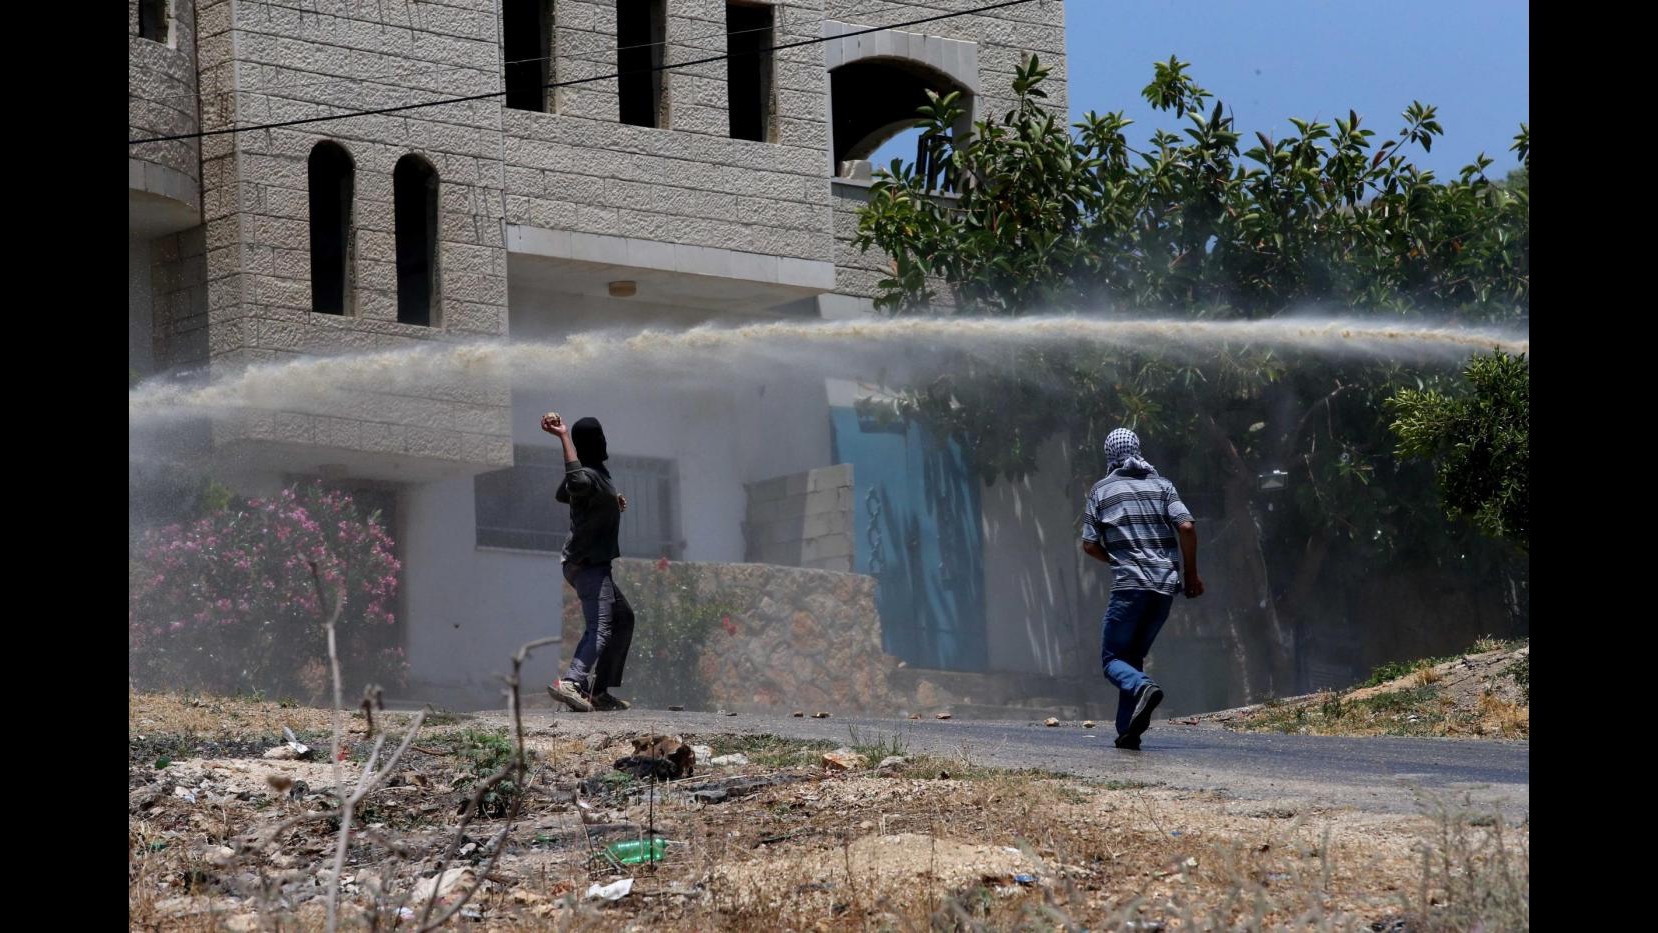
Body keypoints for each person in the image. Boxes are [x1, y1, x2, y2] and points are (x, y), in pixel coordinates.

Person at [1080, 427, 1204, 750]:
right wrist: (1191, 575)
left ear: (1109, 455)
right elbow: (1187, 527)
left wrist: (1118, 560)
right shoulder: (1163, 486)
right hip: (1163, 590)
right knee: (1132, 656)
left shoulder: (1101, 491)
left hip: (1129, 587)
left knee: (1112, 660)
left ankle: (1143, 686)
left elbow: (1089, 545)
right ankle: (1128, 731)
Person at [542, 412, 636, 713]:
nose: (603, 440)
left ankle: (598, 691)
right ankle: (572, 682)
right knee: (601, 626)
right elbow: (573, 484)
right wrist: (564, 437)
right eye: (597, 436)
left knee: (623, 618)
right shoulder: (585, 475)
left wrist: (611, 501)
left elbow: (567, 491)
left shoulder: (596, 473)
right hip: (587, 563)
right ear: (591, 443)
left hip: (592, 564)